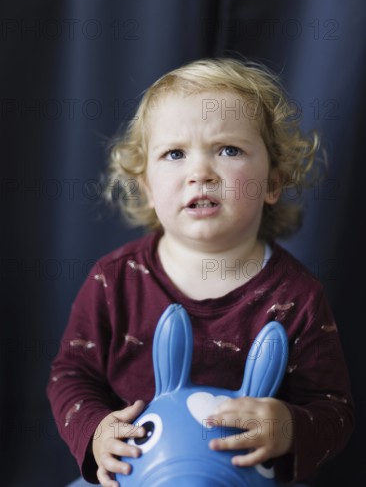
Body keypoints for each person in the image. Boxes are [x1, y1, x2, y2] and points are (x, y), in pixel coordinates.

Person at [47, 58, 354, 487]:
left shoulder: (297, 296)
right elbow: (71, 375)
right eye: (175, 153)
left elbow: (333, 409)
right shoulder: (114, 280)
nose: (200, 173)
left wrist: (287, 427)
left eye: (229, 150)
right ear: (148, 187)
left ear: (272, 182)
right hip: (136, 476)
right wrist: (97, 431)